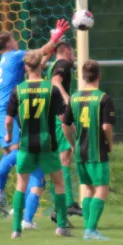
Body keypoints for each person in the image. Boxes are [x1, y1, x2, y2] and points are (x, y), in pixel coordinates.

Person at [0, 20, 70, 214]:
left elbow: (36, 65)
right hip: (2, 112)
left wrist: (50, 50)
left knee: (13, 152)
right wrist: (54, 38)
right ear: (9, 44)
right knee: (20, 149)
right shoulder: (14, 56)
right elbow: (40, 51)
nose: (17, 42)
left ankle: (0, 190)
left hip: (0, 110)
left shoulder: (8, 60)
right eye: (14, 39)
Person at [5, 51, 70, 239]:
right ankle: (61, 227)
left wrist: (9, 135)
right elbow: (62, 118)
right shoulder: (52, 89)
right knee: (59, 183)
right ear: (41, 66)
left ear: (26, 67)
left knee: (21, 184)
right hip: (47, 144)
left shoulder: (18, 90)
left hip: (26, 145)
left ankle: (16, 230)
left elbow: (8, 120)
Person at [62, 60, 115, 240]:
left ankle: (88, 228)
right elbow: (107, 127)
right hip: (96, 151)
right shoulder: (103, 98)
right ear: (99, 75)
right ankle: (90, 230)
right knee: (102, 188)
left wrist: (72, 143)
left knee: (89, 189)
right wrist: (110, 144)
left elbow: (65, 125)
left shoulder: (74, 98)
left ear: (82, 76)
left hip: (80, 151)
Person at [44, 41, 82, 223]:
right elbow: (55, 82)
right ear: (66, 51)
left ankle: (61, 209)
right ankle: (67, 203)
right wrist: (66, 98)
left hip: (51, 117)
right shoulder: (64, 64)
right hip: (59, 117)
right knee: (64, 158)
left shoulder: (52, 65)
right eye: (73, 53)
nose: (74, 57)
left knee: (60, 160)